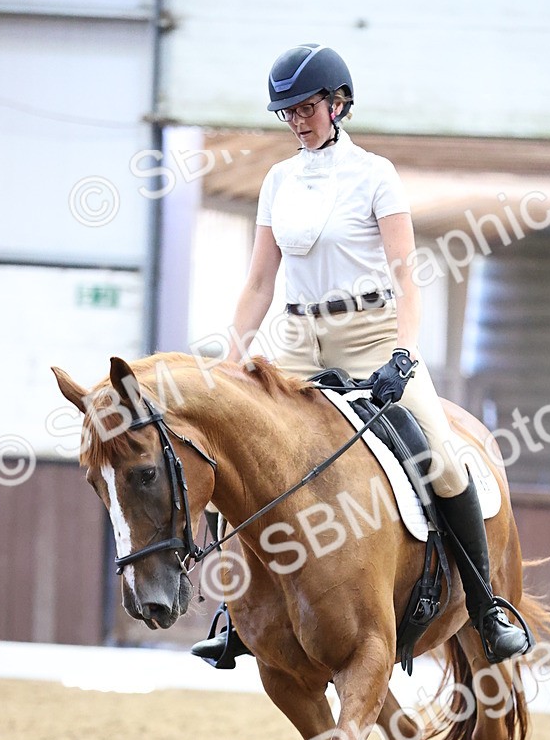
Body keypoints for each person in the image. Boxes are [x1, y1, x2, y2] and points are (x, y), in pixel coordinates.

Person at [192, 43, 528, 666]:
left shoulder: (376, 174)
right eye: (287, 109)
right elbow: (260, 283)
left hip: (371, 331)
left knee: (443, 459)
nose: (297, 118)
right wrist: (230, 361)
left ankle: (484, 604)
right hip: (294, 337)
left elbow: (407, 275)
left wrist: (403, 351)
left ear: (338, 103)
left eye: (307, 106)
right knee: (230, 455)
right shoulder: (277, 181)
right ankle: (237, 611)